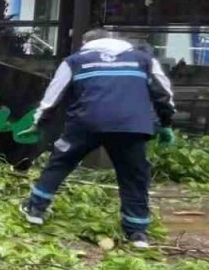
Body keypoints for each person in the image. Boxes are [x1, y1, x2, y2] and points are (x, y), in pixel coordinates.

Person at [18, 29, 176, 249]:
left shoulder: (75, 61)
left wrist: (38, 124)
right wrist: (166, 123)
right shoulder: (143, 60)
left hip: (86, 123)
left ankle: (35, 209)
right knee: (134, 175)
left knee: (60, 163)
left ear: (85, 42)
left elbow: (53, 96)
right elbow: (163, 93)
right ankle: (137, 232)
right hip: (130, 126)